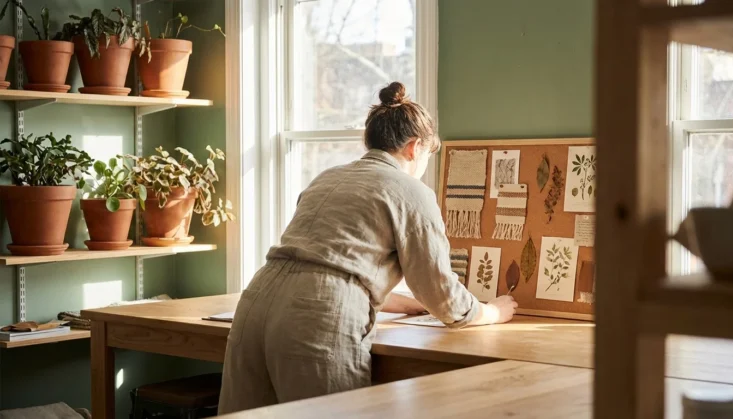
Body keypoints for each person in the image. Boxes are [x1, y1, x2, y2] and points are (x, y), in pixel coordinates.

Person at [218, 82, 518, 414]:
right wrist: (492, 312)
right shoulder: (410, 191)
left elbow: (326, 262)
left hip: (256, 303)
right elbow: (441, 292)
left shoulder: (327, 178)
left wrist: (406, 304)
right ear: (415, 147)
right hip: (316, 317)